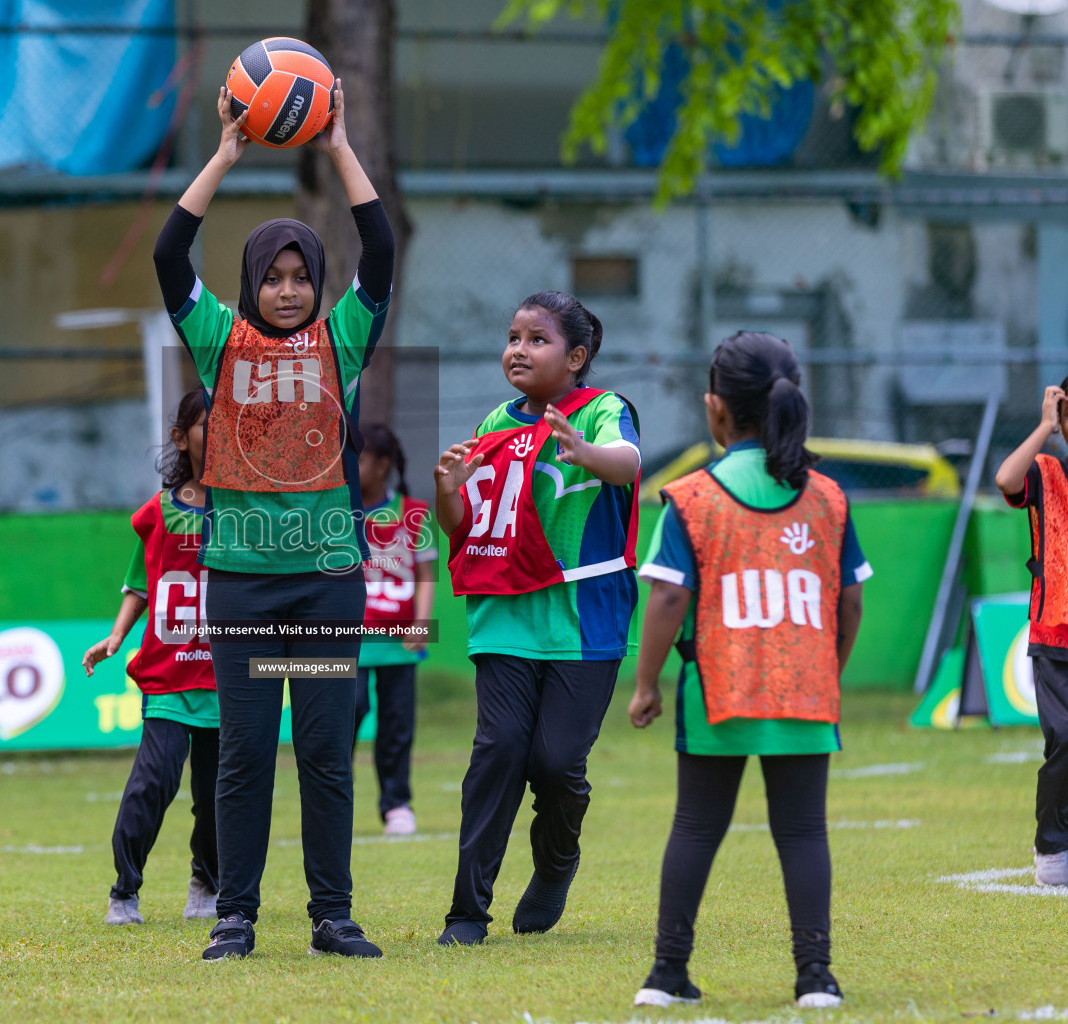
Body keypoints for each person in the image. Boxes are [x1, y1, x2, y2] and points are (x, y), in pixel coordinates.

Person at [151, 72, 394, 960]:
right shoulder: (219, 340)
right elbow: (170, 257)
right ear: (251, 283)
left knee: (326, 755)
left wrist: (335, 146)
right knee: (247, 758)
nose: (288, 290)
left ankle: (333, 916)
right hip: (243, 590)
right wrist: (223, 154)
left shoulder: (345, 338)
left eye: (301, 277)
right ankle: (236, 917)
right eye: (273, 277)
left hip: (326, 586)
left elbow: (381, 250)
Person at [627, 331, 868, 1010]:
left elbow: (670, 596)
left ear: (715, 410)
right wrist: (830, 671)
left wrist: (646, 683)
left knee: (696, 827)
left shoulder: (693, 496)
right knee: (803, 831)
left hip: (718, 692)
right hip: (804, 693)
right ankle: (815, 977)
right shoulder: (828, 497)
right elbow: (850, 599)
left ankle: (665, 974)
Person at [434, 290, 641, 946]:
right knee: (497, 754)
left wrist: (586, 452)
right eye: (513, 337)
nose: (518, 349)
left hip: (584, 620)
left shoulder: (605, 410)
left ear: (576, 357)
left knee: (554, 763)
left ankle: (556, 862)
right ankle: (467, 913)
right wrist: (447, 494)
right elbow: (468, 527)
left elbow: (630, 466)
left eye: (537, 339)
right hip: (505, 617)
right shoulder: (497, 420)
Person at [84, 391, 219, 926]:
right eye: (209, 424)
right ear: (180, 438)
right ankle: (125, 889)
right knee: (152, 784)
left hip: (226, 680)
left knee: (216, 797)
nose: (221, 433)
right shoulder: (158, 514)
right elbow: (140, 581)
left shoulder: (251, 512)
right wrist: (116, 637)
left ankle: (207, 881)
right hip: (167, 677)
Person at [995, 376, 1068, 889]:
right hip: (1055, 634)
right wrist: (1044, 426)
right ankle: (1053, 847)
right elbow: (1005, 479)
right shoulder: (1047, 471)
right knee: (1064, 739)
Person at [352, 423, 434, 836]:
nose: (350, 466)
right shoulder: (334, 512)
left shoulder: (414, 512)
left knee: (396, 723)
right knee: (347, 713)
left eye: (360, 458)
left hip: (398, 640)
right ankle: (335, 800)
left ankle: (396, 805)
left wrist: (422, 621)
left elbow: (425, 573)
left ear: (382, 465)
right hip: (346, 642)